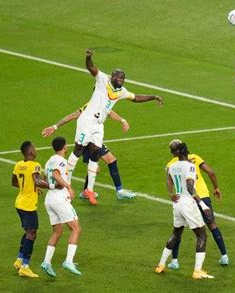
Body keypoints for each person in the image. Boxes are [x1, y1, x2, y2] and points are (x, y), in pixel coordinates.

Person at [65, 49, 163, 205]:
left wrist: (153, 96)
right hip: (87, 120)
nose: (120, 79)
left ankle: (89, 190)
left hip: (98, 125)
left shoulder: (121, 91)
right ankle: (66, 184)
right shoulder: (102, 79)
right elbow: (91, 68)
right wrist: (88, 57)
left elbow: (136, 97)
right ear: (111, 76)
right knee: (77, 151)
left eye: (123, 77)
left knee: (96, 154)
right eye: (118, 76)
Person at [41, 104, 135, 200]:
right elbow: (72, 115)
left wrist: (122, 120)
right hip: (85, 141)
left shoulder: (103, 103)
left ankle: (119, 191)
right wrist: (55, 126)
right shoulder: (89, 106)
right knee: (95, 169)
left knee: (112, 160)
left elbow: (110, 112)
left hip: (95, 140)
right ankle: (83, 191)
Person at [165, 139, 229, 268]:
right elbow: (211, 172)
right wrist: (216, 188)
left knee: (178, 230)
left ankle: (174, 261)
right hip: (203, 196)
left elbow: (169, 180)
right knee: (212, 225)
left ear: (173, 152)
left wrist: (171, 193)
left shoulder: (171, 163)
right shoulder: (195, 157)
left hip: (186, 199)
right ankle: (224, 256)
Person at [155, 143, 214, 279]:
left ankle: (161, 265)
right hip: (188, 203)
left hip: (177, 204)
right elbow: (189, 186)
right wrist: (203, 205)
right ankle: (197, 271)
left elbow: (168, 179)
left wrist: (170, 193)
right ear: (186, 151)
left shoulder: (172, 166)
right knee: (202, 236)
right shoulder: (190, 166)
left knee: (176, 233)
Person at [40, 137, 82, 277]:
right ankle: (68, 261)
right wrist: (69, 187)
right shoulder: (61, 161)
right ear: (64, 147)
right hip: (59, 198)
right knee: (76, 228)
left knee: (57, 232)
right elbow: (55, 174)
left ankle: (46, 262)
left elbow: (45, 180)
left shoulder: (48, 161)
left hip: (50, 199)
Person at [12, 141, 50, 278]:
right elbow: (37, 180)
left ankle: (19, 260)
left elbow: (14, 182)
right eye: (34, 147)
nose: (36, 149)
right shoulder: (35, 165)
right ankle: (25, 267)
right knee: (32, 234)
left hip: (19, 203)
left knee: (28, 231)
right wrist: (51, 186)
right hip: (28, 205)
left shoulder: (18, 165)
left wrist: (31, 188)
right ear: (31, 152)